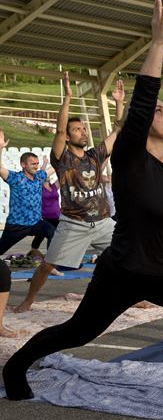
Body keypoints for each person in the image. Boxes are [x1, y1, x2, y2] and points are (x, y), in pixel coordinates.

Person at [3, 0, 163, 409]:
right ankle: (15, 367)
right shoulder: (129, 159)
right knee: (77, 332)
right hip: (124, 271)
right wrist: (158, 43)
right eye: (160, 112)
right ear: (141, 128)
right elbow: (143, 100)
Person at [11, 73, 125, 313]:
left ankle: (134, 297)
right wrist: (68, 98)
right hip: (74, 224)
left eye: (83, 128)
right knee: (47, 264)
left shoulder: (95, 156)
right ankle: (28, 300)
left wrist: (118, 103)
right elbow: (59, 132)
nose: (82, 132)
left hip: (103, 222)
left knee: (129, 255)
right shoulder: (63, 157)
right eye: (77, 129)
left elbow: (117, 131)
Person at [0, 137, 56, 258]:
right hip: (16, 225)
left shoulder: (39, 176)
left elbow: (56, 167)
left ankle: (49, 265)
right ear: (23, 164)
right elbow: (0, 169)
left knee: (53, 232)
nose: (36, 166)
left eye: (37, 164)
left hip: (36, 223)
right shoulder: (15, 178)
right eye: (33, 164)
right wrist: (0, 148)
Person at [29, 157, 60, 254]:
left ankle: (51, 255)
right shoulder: (39, 188)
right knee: (40, 236)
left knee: (55, 236)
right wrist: (45, 164)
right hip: (45, 217)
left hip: (57, 216)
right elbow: (40, 175)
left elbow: (62, 177)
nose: (46, 175)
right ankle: (33, 251)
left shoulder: (54, 186)